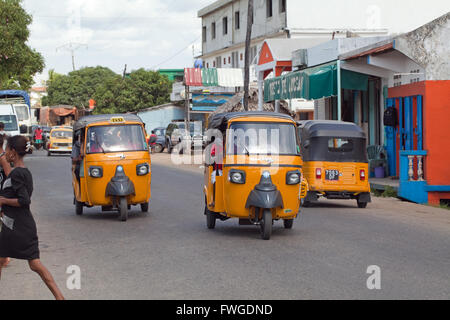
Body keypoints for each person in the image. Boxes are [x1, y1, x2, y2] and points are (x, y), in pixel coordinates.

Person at [0, 136, 65, 300]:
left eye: (7, 150)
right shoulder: (22, 172)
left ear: (13, 153)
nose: (5, 153)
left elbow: (24, 200)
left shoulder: (18, 174)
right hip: (14, 225)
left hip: (19, 227)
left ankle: (59, 297)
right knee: (28, 263)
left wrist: (3, 200)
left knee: (34, 264)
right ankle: (59, 297)